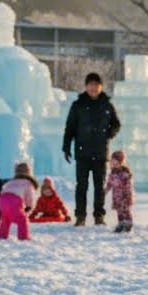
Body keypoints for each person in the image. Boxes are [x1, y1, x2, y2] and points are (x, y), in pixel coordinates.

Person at [62, 72, 121, 227]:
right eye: (91, 84)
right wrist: (66, 147)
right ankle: (80, 216)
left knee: (99, 186)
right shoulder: (78, 105)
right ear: (86, 86)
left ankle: (99, 216)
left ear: (101, 87)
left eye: (96, 84)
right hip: (82, 152)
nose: (93, 88)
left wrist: (108, 134)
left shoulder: (107, 105)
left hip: (100, 152)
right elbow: (70, 128)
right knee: (81, 185)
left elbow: (116, 124)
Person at [0, 162, 39, 241]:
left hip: (2, 200)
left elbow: (4, 189)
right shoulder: (28, 183)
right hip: (14, 200)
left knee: (6, 219)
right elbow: (29, 196)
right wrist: (29, 206)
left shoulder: (11, 181)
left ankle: (2, 236)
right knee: (22, 219)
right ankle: (24, 237)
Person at [105, 150, 134, 233]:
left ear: (120, 162)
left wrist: (128, 196)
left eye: (115, 161)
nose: (112, 163)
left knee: (126, 211)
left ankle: (128, 224)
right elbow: (109, 183)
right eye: (112, 161)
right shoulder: (112, 173)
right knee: (119, 211)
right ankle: (121, 224)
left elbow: (128, 186)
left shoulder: (124, 173)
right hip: (116, 196)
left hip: (124, 196)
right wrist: (105, 191)